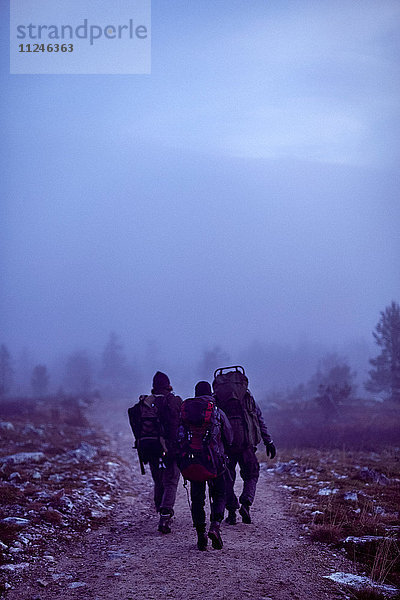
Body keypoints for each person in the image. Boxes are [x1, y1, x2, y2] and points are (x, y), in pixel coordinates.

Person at [212, 366, 276, 525]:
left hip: (226, 446)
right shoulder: (248, 397)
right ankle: (246, 502)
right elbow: (259, 420)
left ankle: (232, 511)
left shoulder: (217, 399)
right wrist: (269, 441)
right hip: (246, 444)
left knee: (227, 478)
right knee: (252, 474)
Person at [179, 381, 233, 550]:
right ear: (210, 393)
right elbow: (229, 437)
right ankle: (215, 526)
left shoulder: (187, 411)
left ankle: (200, 534)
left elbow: (179, 435)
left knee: (197, 498)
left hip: (193, 459)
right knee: (219, 493)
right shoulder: (216, 411)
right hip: (215, 461)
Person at [129, 371, 182, 534]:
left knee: (158, 480)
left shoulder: (145, 403)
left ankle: (160, 507)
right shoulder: (173, 401)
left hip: (149, 447)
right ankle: (165, 514)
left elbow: (133, 415)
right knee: (171, 481)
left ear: (154, 386)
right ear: (168, 385)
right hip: (170, 448)